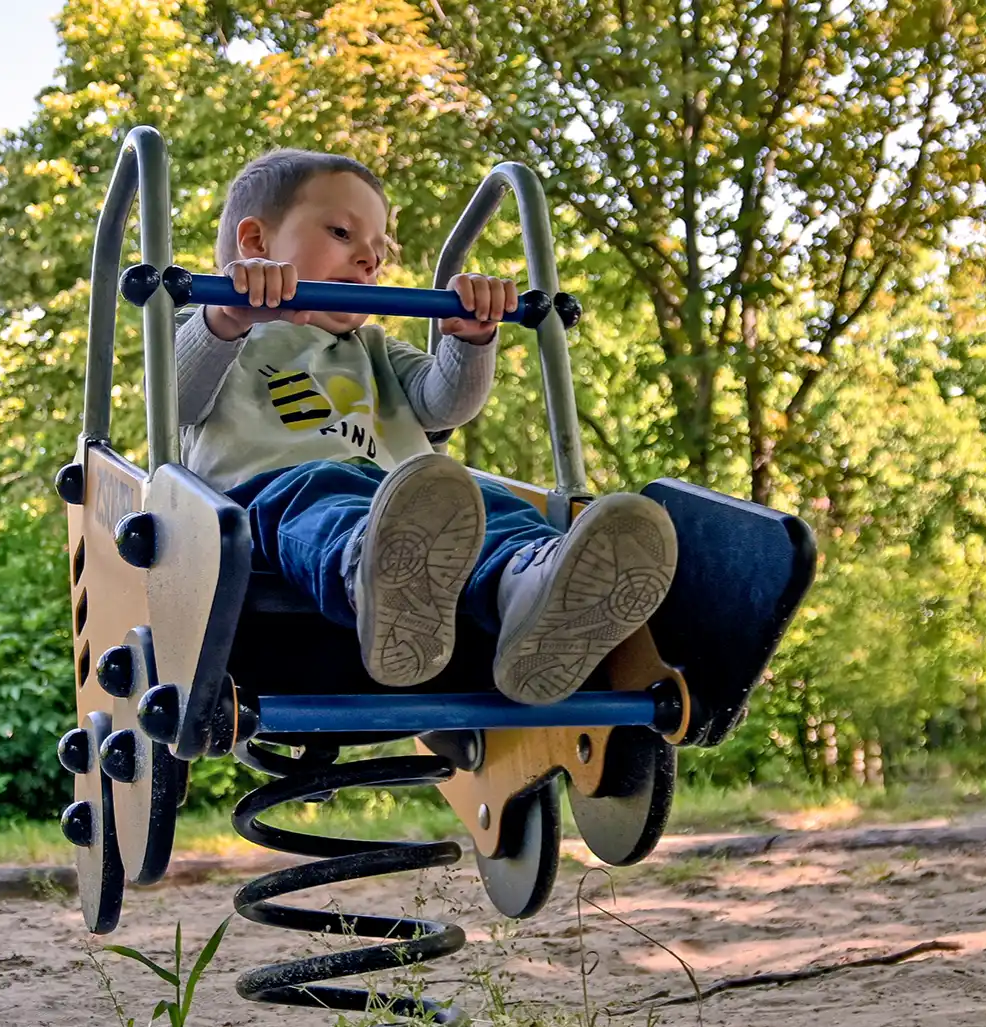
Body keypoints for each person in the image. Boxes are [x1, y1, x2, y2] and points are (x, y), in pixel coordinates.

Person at [174, 148, 676, 700]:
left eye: (378, 251)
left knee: (481, 497)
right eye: (342, 233)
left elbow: (444, 404)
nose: (368, 260)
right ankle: (372, 570)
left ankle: (530, 583)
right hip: (267, 504)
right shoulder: (218, 329)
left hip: (404, 501)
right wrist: (231, 313)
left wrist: (470, 336)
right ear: (255, 244)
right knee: (324, 490)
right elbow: (175, 396)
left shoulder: (374, 349)